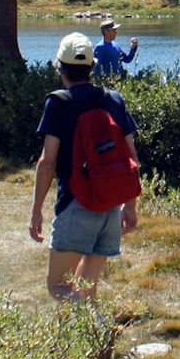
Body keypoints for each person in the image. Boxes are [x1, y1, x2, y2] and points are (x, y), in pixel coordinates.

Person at [31, 32, 141, 303]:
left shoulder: (57, 102)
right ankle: (95, 340)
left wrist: (36, 211)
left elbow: (47, 163)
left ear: (59, 66)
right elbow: (130, 156)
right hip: (111, 206)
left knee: (58, 285)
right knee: (85, 289)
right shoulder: (114, 99)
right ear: (93, 66)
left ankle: (99, 325)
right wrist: (130, 206)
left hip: (76, 204)